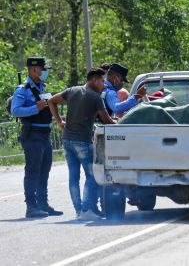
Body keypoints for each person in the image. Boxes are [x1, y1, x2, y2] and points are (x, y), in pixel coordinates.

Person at [48, 68, 116, 220]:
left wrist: (59, 121)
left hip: (67, 140)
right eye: (102, 81)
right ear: (94, 80)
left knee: (73, 177)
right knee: (93, 175)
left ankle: (79, 211)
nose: (104, 85)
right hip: (82, 141)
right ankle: (86, 210)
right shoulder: (95, 97)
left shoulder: (72, 90)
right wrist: (120, 123)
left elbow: (51, 101)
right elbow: (107, 120)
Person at [10, 57, 63, 218]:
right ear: (33, 69)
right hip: (32, 134)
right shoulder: (22, 89)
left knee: (44, 170)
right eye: (42, 69)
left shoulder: (42, 87)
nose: (44, 72)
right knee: (33, 170)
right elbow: (15, 110)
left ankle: (43, 204)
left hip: (45, 134)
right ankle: (31, 206)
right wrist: (35, 107)